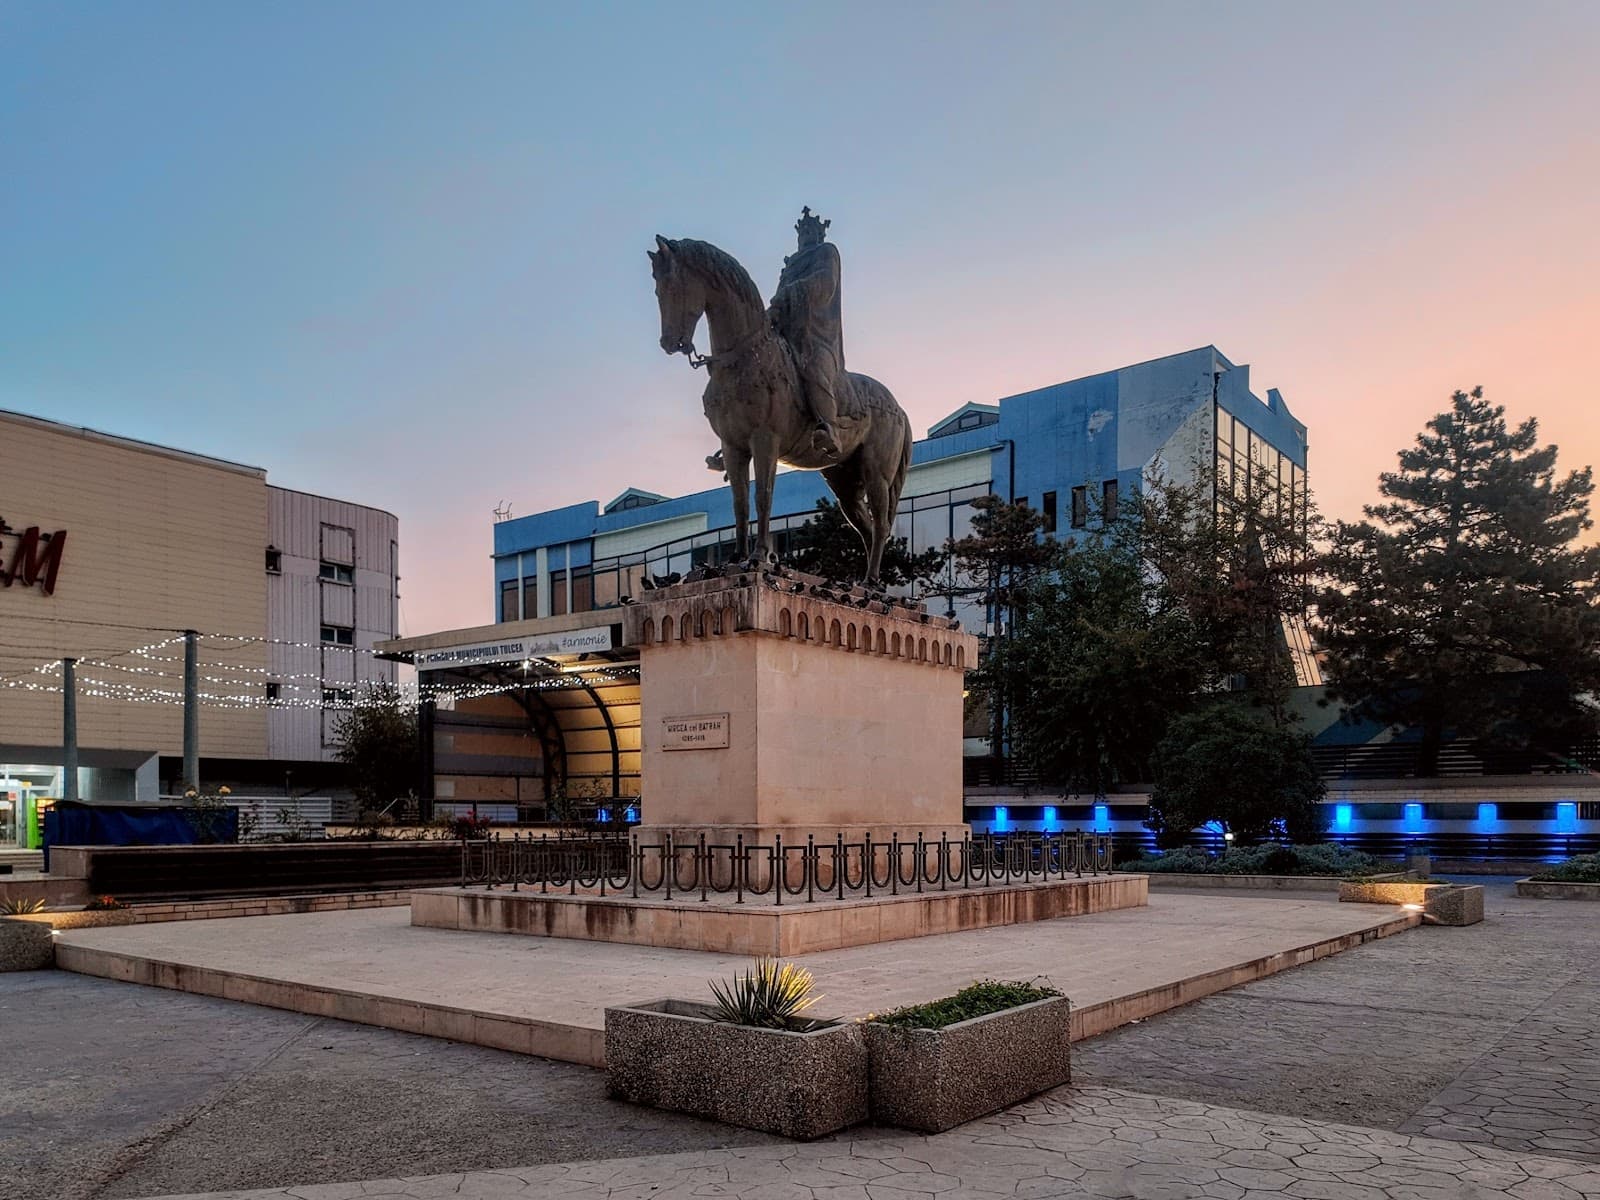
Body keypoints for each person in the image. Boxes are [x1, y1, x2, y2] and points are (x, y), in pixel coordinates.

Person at [707, 207, 844, 472]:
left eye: (810, 231)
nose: (805, 235)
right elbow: (779, 298)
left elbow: (825, 284)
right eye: (801, 232)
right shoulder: (790, 264)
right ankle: (734, 437)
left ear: (819, 233)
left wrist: (794, 291)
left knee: (814, 369)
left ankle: (830, 428)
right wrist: (770, 314)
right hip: (784, 335)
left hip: (814, 335)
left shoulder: (826, 253)